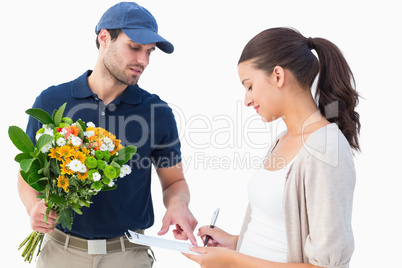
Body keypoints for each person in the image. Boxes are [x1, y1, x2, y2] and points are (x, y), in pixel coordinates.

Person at [17, 2, 198, 267]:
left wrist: (178, 204)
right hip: (60, 252)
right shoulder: (51, 101)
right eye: (134, 47)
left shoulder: (157, 112)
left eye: (150, 52)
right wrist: (33, 207)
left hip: (128, 254)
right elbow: (27, 174)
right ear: (104, 38)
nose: (144, 61)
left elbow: (174, 182)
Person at [184, 27, 360, 268]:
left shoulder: (325, 148)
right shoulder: (283, 138)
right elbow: (282, 238)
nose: (246, 99)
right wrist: (235, 243)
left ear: (278, 76)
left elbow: (325, 266)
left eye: (249, 86)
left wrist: (233, 261)